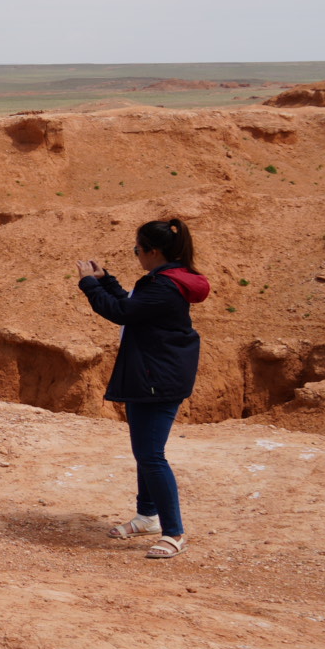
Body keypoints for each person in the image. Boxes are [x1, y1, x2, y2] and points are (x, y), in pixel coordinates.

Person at [75, 218, 210, 559]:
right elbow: (133, 307)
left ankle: (174, 533)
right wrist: (107, 281)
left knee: (151, 455)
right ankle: (147, 516)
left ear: (153, 251)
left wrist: (89, 284)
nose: (136, 255)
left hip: (157, 379)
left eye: (137, 249)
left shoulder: (163, 286)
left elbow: (120, 312)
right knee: (145, 452)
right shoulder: (163, 281)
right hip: (151, 374)